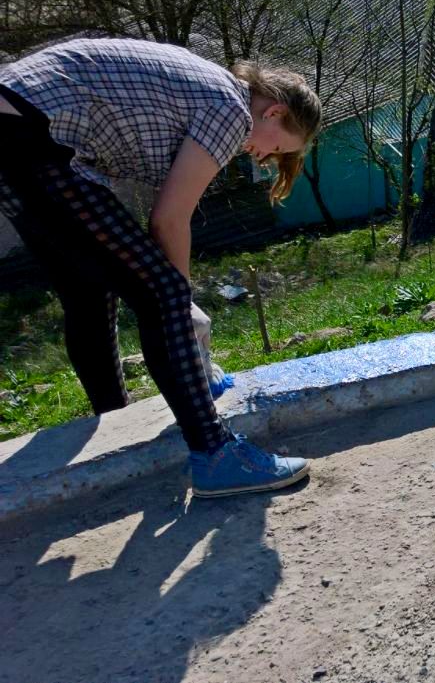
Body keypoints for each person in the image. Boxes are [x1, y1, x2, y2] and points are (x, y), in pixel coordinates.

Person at [0, 38, 320, 496]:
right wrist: (183, 307)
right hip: (32, 135)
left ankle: (117, 422)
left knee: (89, 289)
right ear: (273, 112)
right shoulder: (231, 109)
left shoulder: (201, 86)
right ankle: (215, 454)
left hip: (17, 126)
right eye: (279, 147)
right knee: (164, 294)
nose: (265, 157)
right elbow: (168, 219)